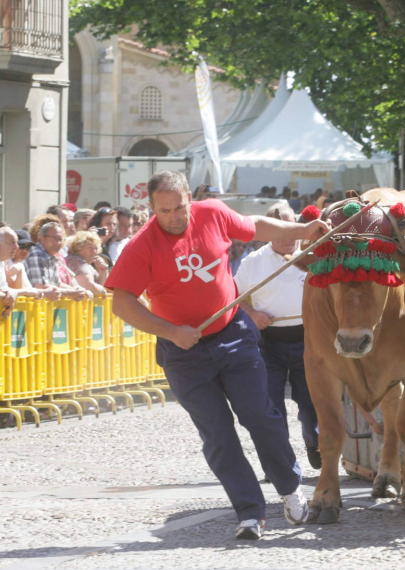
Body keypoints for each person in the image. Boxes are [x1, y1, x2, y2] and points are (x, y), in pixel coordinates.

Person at [106, 170, 329, 539]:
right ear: (152, 208)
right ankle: (249, 512)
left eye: (180, 208)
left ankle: (290, 489)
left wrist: (302, 230)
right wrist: (171, 332)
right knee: (217, 434)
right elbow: (122, 303)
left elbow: (254, 226)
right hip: (183, 352)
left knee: (261, 416)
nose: (174, 217)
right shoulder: (141, 246)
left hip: (232, 334)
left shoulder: (212, 213)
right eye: (165, 211)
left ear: (190, 200)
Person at [235, 203, 320, 471]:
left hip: (308, 340)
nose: (286, 237)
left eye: (290, 228)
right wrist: (252, 314)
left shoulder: (313, 256)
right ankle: (282, 465)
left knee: (311, 403)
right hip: (268, 342)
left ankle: (315, 442)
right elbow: (234, 296)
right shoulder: (253, 262)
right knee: (271, 406)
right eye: (279, 230)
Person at [24, 221, 90, 300]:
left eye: (61, 239)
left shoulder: (52, 256)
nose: (59, 243)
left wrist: (78, 291)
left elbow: (57, 284)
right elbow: (41, 286)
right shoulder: (36, 254)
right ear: (41, 238)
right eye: (55, 238)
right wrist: (71, 293)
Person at [65, 231, 109, 296]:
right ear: (78, 248)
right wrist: (103, 291)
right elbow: (90, 286)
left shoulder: (86, 264)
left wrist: (103, 270)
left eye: (96, 248)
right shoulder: (75, 261)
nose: (94, 252)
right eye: (90, 248)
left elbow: (101, 285)